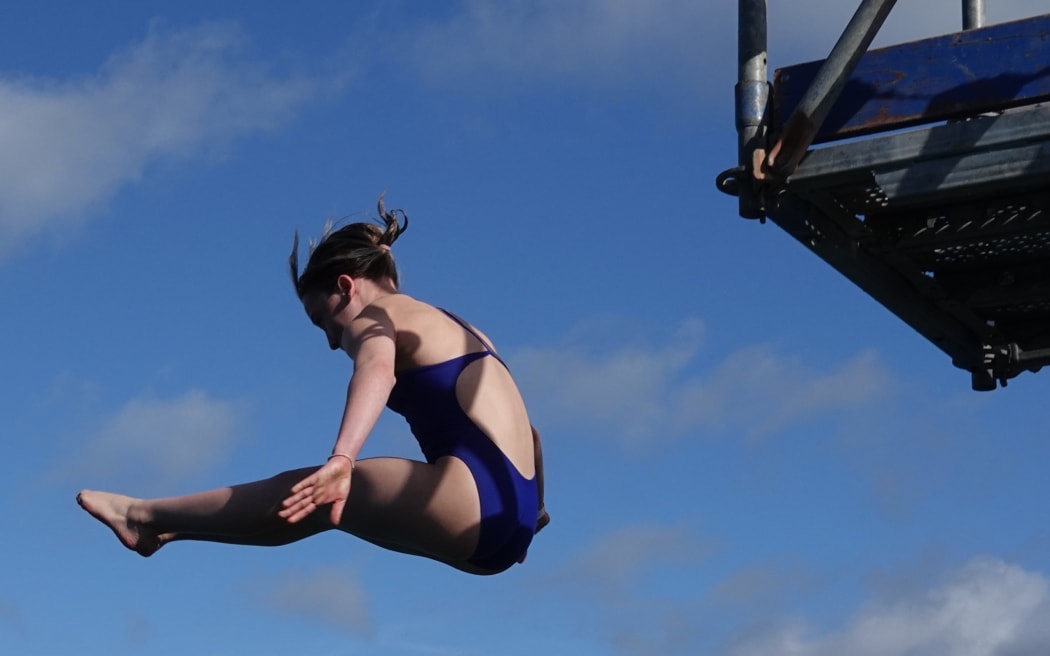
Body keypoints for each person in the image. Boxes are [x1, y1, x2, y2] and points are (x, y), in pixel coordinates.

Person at [77, 195, 548, 575]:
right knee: (320, 508)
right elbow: (531, 436)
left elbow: (377, 372)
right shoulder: (464, 329)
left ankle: (141, 515)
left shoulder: (377, 315)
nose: (330, 341)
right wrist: (532, 513)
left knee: (321, 492)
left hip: (469, 506)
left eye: (323, 320)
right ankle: (172, 527)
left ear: (347, 285)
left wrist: (342, 459)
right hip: (514, 519)